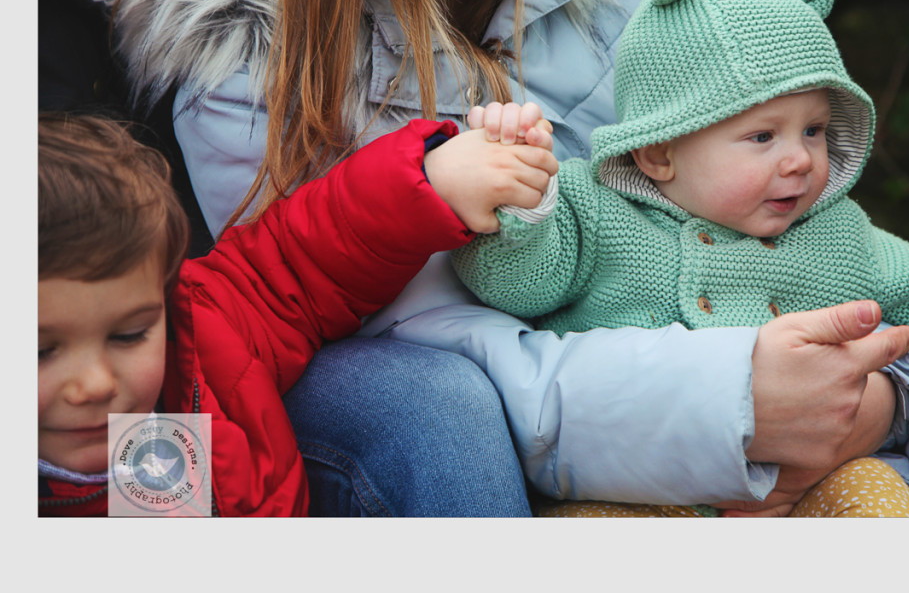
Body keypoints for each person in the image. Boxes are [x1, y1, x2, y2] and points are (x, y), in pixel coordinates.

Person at [96, 0, 909, 516]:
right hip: (519, 389)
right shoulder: (248, 64)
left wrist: (871, 388)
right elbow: (425, 330)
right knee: (441, 411)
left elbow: (807, 241)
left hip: (689, 365)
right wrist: (728, 403)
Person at [451, 0, 909, 515]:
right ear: (660, 150)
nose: (800, 159)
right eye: (763, 137)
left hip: (806, 486)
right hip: (639, 491)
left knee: (879, 502)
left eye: (814, 130)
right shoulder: (596, 212)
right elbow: (515, 286)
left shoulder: (838, 235)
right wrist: (522, 197)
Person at [38, 110, 556, 516]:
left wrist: (430, 182)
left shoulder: (198, 334)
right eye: (39, 350)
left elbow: (293, 264)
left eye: (129, 335)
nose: (95, 383)